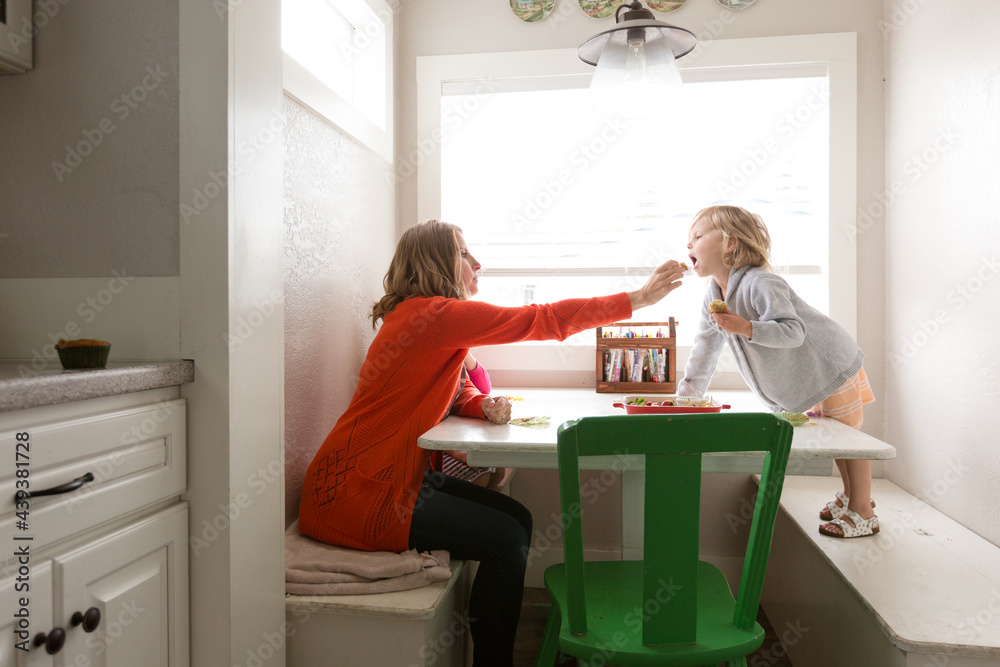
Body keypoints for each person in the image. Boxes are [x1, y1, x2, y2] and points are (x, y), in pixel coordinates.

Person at [298, 220, 684, 667]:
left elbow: (449, 389)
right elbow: (541, 320)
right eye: (465, 253)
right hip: (358, 495)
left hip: (375, 480)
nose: (477, 262)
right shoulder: (434, 315)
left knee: (517, 518)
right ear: (436, 261)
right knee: (505, 540)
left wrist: (482, 406)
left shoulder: (424, 319)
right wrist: (639, 298)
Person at [677, 205, 877, 539]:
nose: (689, 245)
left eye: (697, 236)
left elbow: (792, 332)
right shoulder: (712, 296)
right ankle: (850, 494)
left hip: (829, 365)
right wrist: (684, 400)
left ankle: (864, 509)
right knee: (836, 440)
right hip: (809, 376)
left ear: (729, 243)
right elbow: (704, 350)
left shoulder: (761, 282)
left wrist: (746, 327)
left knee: (848, 442)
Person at [441, 352, 516, 490]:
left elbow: (480, 387)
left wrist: (485, 406)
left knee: (497, 471)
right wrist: (448, 447)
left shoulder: (447, 350)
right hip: (420, 448)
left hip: (442, 436)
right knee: (480, 476)